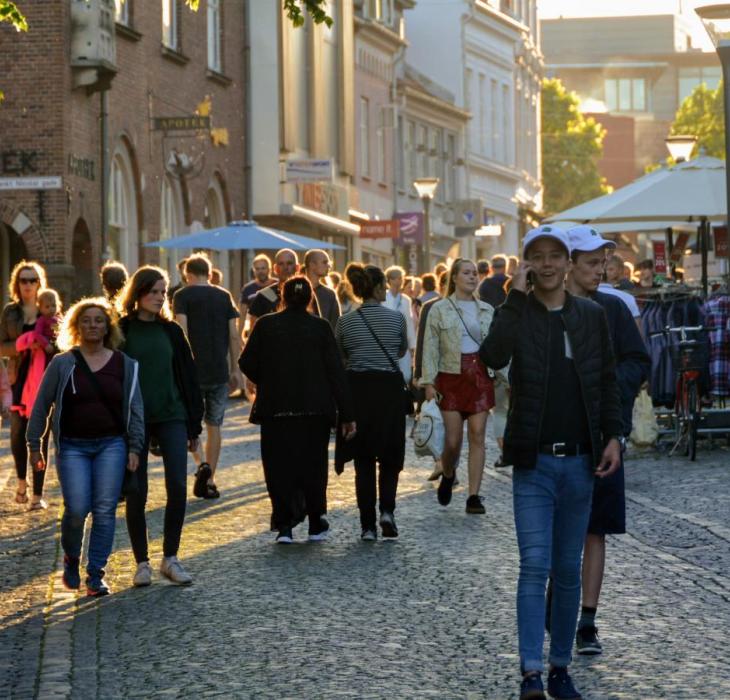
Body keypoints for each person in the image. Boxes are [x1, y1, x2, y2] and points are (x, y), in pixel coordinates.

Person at [480, 225, 623, 700]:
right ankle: (530, 673)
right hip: (534, 462)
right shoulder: (518, 314)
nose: (545, 264)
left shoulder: (590, 315)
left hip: (581, 462)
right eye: (535, 257)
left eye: (553, 256)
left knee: (566, 569)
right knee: (534, 565)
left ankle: (560, 666)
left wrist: (613, 437)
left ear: (567, 262)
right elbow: (492, 356)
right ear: (525, 265)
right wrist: (513, 300)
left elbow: (604, 380)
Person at [563, 226, 650, 657]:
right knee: (562, 531)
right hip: (559, 435)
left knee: (596, 529)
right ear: (570, 264)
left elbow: (638, 359)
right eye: (593, 263)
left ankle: (587, 619)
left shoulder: (613, 309)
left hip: (603, 433)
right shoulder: (546, 309)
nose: (601, 270)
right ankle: (559, 606)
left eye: (603, 262)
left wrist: (613, 393)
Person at [26, 298, 144, 596]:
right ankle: (71, 557)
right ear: (76, 327)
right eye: (87, 320)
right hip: (72, 447)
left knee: (104, 510)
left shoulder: (124, 364)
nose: (93, 325)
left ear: (108, 327)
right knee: (77, 508)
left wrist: (134, 446)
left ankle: (95, 574)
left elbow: (135, 408)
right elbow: (41, 406)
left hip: (112, 445)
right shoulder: (63, 363)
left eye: (99, 320)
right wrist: (34, 444)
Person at [239, 276, 356, 543]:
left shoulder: (267, 325)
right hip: (314, 410)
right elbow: (335, 372)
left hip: (276, 409)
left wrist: (266, 379)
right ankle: (315, 521)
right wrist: (347, 414)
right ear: (309, 300)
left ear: (282, 297)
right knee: (313, 467)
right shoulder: (320, 327)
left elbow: (246, 360)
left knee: (279, 467)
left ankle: (284, 525)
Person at [118, 266, 204, 587]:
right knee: (136, 491)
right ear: (138, 293)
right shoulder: (121, 330)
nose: (158, 297)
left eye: (162, 292)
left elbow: (189, 378)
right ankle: (141, 562)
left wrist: (194, 426)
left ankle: (171, 557)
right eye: (153, 291)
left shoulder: (171, 332)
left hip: (172, 414)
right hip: (135, 422)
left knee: (178, 488)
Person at [335, 263, 408, 540]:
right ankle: (387, 511)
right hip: (388, 392)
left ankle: (367, 526)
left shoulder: (345, 321)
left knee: (363, 460)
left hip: (358, 392)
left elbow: (340, 354)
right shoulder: (396, 319)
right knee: (390, 458)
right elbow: (400, 350)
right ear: (378, 288)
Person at [421, 259, 495, 514]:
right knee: (452, 441)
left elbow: (494, 346)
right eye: (466, 273)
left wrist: (505, 378)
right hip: (449, 376)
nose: (473, 277)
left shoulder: (486, 309)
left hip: (480, 375)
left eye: (475, 273)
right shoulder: (439, 309)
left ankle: (474, 496)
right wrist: (428, 382)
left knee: (477, 435)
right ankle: (449, 473)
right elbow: (430, 347)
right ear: (454, 277)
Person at [174, 253, 243, 499]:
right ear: (209, 272)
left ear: (188, 275)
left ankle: (201, 462)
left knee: (191, 424)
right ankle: (211, 478)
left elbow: (181, 331)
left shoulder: (181, 296)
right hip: (218, 371)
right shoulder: (224, 296)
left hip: (191, 373)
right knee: (215, 425)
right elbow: (234, 336)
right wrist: (236, 368)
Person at [0, 261, 50, 509]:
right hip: (17, 378)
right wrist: (22, 344)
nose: (28, 285)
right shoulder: (10, 312)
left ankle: (38, 495)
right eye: (23, 280)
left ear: (39, 283)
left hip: (44, 381)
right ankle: (22, 481)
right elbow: (1, 346)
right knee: (18, 434)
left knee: (41, 435)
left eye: (32, 280)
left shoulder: (48, 310)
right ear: (17, 284)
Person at [15, 288, 61, 425]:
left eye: (54, 305)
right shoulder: (42, 320)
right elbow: (37, 334)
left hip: (56, 351)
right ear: (40, 308)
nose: (51, 309)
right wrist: (45, 344)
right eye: (47, 306)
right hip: (44, 352)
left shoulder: (59, 318)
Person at [247, 248, 299, 329]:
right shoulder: (264, 296)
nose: (285, 267)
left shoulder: (305, 292)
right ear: (275, 268)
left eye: (289, 263)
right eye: (281, 264)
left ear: (297, 268)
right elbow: (253, 332)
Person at [382, 266, 416, 383]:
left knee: (406, 375)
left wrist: (412, 345)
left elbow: (409, 322)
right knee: (389, 373)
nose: (399, 281)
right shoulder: (383, 298)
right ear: (389, 280)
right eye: (396, 278)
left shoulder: (406, 300)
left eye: (400, 278)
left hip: (403, 341)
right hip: (387, 341)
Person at [303, 249, 341, 330]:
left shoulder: (330, 294)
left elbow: (336, 325)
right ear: (312, 264)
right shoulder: (296, 290)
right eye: (324, 262)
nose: (329, 266)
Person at [239, 254, 276, 336]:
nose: (260, 271)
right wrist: (239, 336)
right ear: (254, 270)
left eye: (263, 268)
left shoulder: (277, 285)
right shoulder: (247, 289)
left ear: (269, 269)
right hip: (255, 333)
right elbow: (242, 314)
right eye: (257, 269)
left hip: (275, 331)